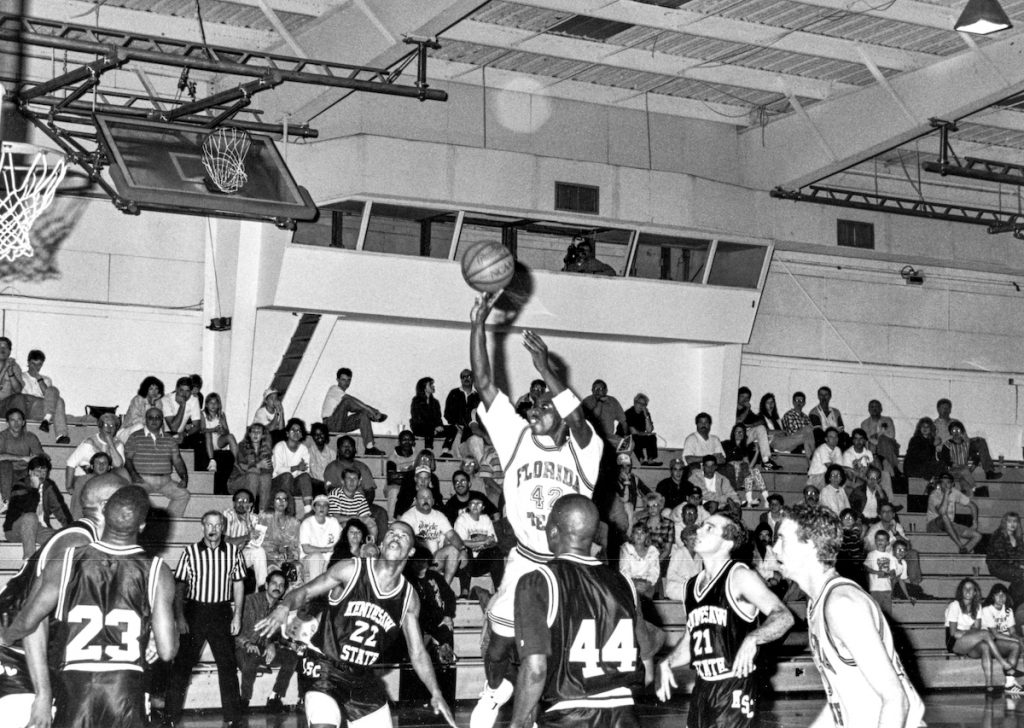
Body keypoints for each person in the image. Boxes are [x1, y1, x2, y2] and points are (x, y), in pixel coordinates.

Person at [469, 290, 602, 728]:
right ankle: (494, 691)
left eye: (545, 405)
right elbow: (486, 383)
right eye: (533, 405)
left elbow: (579, 419)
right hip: (525, 561)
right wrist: (479, 326)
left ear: (561, 413)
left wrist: (546, 369)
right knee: (497, 648)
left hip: (570, 567)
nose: (535, 409)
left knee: (561, 660)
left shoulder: (586, 450)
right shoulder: (516, 438)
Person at [3, 485, 178, 728]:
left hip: (75, 691)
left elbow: (30, 622)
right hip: (125, 691)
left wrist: (6, 637)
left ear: (104, 514)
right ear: (142, 525)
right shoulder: (158, 571)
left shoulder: (66, 559)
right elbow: (168, 650)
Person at [253, 521, 457, 728]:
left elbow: (418, 653)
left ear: (411, 551)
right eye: (391, 533)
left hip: (361, 676)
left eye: (403, 535)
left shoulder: (409, 598)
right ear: (382, 544)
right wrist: (284, 607)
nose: (396, 537)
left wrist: (436, 692)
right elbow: (306, 592)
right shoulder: (351, 570)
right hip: (324, 665)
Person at [772, 503, 926, 726]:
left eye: (782, 539)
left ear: (810, 547)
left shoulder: (842, 604)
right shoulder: (818, 602)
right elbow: (842, 697)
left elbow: (896, 699)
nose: (775, 549)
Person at [0, 473, 127, 728]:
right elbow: (33, 617)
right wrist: (43, 695)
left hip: (46, 655)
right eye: (127, 502)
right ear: (105, 506)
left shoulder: (102, 546)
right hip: (14, 649)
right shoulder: (76, 543)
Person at [509, 494, 644, 728]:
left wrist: (516, 723)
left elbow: (535, 670)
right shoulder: (624, 582)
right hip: (625, 714)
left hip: (570, 714)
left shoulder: (538, 581)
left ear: (552, 530)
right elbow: (648, 669)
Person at [655, 513, 794, 727]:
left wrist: (753, 639)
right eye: (701, 526)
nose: (698, 530)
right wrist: (669, 662)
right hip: (702, 688)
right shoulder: (691, 586)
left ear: (727, 542)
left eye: (709, 528)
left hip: (734, 685)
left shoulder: (740, 576)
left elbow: (783, 616)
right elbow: (694, 638)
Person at [165, 510, 246, 728]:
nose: (213, 529)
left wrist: (237, 614)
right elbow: (180, 584)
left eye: (217, 525)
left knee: (227, 666)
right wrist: (180, 615)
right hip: (195, 611)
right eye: (209, 525)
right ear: (203, 526)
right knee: (182, 665)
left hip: (221, 612)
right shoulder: (190, 552)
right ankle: (170, 717)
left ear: (223, 527)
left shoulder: (233, 552)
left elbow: (238, 584)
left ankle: (233, 718)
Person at [944, 577, 1024, 692]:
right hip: (954, 642)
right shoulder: (955, 605)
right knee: (985, 634)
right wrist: (971, 632)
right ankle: (1005, 665)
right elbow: (953, 633)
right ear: (960, 591)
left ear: (975, 592)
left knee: (985, 646)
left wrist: (970, 633)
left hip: (970, 641)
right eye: (965, 588)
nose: (968, 591)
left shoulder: (977, 606)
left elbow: (976, 628)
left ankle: (989, 686)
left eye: (971, 589)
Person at [234, 569, 296, 713]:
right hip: (243, 649)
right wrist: (247, 643)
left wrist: (281, 644)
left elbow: (277, 636)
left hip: (263, 650)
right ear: (266, 584)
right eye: (274, 583)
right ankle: (244, 700)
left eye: (281, 585)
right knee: (252, 657)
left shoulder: (280, 609)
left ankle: (275, 697)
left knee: (292, 656)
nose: (277, 587)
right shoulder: (249, 601)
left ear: (284, 590)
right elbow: (234, 632)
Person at [123, 406, 190, 517]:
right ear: (145, 420)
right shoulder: (135, 437)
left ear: (162, 420)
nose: (154, 420)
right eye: (151, 417)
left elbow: (177, 460)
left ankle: (169, 524)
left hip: (165, 481)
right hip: (143, 480)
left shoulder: (169, 439)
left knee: (183, 495)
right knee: (134, 496)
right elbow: (128, 459)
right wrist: (134, 475)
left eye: (157, 418)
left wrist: (184, 477)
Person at [3, 455, 71, 558]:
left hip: (38, 529)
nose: (42, 475)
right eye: (38, 471)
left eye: (44, 472)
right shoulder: (20, 485)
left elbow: (59, 508)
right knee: (30, 517)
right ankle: (29, 562)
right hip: (15, 529)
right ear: (30, 472)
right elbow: (28, 510)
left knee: (62, 539)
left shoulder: (48, 486)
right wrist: (35, 489)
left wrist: (70, 527)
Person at [400, 486, 467, 583]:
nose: (426, 500)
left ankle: (444, 588)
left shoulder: (439, 515)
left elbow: (451, 535)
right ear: (415, 500)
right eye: (422, 497)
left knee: (453, 550)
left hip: (435, 559)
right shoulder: (408, 516)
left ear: (433, 501)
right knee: (423, 542)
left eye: (428, 497)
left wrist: (463, 550)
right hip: (416, 561)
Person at [321, 367, 388, 456]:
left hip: (341, 424)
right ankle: (374, 415)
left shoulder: (341, 393)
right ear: (337, 380)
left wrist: (369, 410)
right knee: (347, 401)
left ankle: (369, 448)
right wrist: (371, 410)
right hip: (330, 423)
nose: (346, 383)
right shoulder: (334, 389)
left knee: (363, 415)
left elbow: (356, 403)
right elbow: (350, 400)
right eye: (343, 380)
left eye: (348, 380)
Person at [64, 411, 126, 505]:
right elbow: (71, 463)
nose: (109, 428)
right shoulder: (89, 442)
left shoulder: (118, 444)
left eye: (112, 426)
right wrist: (69, 486)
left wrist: (110, 443)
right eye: (106, 425)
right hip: (85, 476)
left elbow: (118, 465)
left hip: (105, 478)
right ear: (100, 427)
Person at [933, 398, 1002, 480]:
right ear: (938, 409)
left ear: (950, 410)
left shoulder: (956, 422)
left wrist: (973, 440)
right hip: (949, 451)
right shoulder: (934, 425)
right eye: (943, 408)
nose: (945, 410)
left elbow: (965, 439)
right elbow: (935, 445)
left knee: (980, 441)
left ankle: (989, 472)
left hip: (962, 448)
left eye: (947, 408)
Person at [453, 493, 505, 599]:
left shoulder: (486, 519)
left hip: (480, 562)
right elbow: (461, 543)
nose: (476, 506)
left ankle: (499, 590)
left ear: (483, 507)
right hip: (463, 565)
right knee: (465, 550)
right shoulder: (462, 519)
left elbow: (493, 542)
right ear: (468, 507)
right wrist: (484, 541)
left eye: (479, 504)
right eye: (472, 503)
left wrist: (484, 542)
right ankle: (464, 591)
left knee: (496, 552)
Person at [20, 349, 70, 443]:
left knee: (56, 395)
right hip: (30, 408)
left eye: (39, 364)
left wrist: (39, 379)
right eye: (33, 364)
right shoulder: (22, 376)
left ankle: (59, 434)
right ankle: (48, 421)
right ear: (28, 363)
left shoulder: (46, 379)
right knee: (58, 400)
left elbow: (48, 395)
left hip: (44, 409)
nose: (36, 367)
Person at [223, 488, 268, 589]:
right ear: (234, 503)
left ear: (251, 504)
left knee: (259, 551)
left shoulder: (255, 518)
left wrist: (248, 522)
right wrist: (246, 537)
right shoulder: (228, 515)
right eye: (238, 500)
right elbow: (226, 542)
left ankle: (261, 590)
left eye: (244, 501)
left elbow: (256, 543)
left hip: (243, 555)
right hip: (228, 554)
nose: (240, 504)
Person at [927, 472, 982, 554]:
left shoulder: (954, 492)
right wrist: (946, 494)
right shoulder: (934, 494)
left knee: (977, 536)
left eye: (948, 482)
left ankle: (964, 551)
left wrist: (975, 523)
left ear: (952, 484)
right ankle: (960, 545)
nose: (945, 485)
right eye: (943, 482)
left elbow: (972, 505)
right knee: (944, 517)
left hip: (950, 525)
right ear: (940, 484)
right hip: (934, 525)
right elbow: (942, 512)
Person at [0, 407, 45, 502]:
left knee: (38, 465)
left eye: (19, 419)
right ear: (7, 422)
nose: (16, 423)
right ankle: (6, 501)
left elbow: (41, 456)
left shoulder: (30, 437)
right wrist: (22, 458)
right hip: (5, 475)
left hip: (23, 473)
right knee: (5, 464)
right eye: (12, 420)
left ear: (24, 422)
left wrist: (37, 458)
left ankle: (36, 498)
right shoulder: (2, 437)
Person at [228, 421, 274, 509]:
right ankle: (249, 510)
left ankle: (262, 512)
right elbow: (241, 467)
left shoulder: (266, 450)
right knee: (253, 475)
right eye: (253, 432)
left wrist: (259, 468)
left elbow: (268, 469)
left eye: (259, 432)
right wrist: (257, 465)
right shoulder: (242, 446)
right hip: (237, 482)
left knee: (266, 477)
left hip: (257, 483)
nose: (255, 434)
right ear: (249, 434)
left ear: (263, 435)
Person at [411, 376, 458, 458]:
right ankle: (428, 451)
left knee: (453, 428)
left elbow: (438, 418)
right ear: (424, 387)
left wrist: (439, 426)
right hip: (420, 428)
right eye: (430, 385)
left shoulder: (435, 402)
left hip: (433, 429)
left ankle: (445, 451)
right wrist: (433, 427)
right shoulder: (416, 401)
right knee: (428, 428)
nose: (433, 386)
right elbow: (417, 419)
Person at [988, 512, 1024, 618]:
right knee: (1022, 575)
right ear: (1004, 522)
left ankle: (1013, 605)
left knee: (1020, 579)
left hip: (1013, 567)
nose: (1012, 524)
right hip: (997, 565)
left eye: (1015, 521)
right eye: (1009, 521)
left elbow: (1021, 555)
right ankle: (1012, 605)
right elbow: (1003, 557)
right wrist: (1020, 566)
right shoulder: (999, 535)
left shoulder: (1018, 537)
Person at [300, 494, 342, 580]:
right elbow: (306, 549)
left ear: (328, 509)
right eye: (319, 505)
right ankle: (316, 590)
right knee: (317, 557)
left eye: (325, 505)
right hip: (309, 560)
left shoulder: (334, 522)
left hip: (328, 560)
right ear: (314, 508)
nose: (322, 508)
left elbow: (341, 541)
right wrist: (328, 549)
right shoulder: (307, 523)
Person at [581, 379, 629, 450]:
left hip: (609, 436)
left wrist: (626, 435)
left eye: (600, 389)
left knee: (626, 444)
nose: (597, 391)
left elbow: (623, 421)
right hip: (592, 436)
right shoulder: (587, 402)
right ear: (592, 390)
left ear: (605, 390)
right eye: (595, 388)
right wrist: (600, 402)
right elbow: (594, 416)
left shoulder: (612, 401)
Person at [620, 521, 661, 600]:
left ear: (646, 535)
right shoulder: (626, 549)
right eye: (636, 533)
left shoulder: (652, 551)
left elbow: (654, 571)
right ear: (632, 535)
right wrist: (634, 583)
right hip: (630, 582)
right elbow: (624, 570)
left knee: (645, 598)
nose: (639, 536)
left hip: (647, 583)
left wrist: (647, 584)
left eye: (642, 533)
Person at [119, 375, 164, 444]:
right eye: (151, 389)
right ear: (146, 389)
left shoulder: (158, 402)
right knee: (140, 426)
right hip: (127, 432)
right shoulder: (137, 399)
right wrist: (151, 405)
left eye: (156, 389)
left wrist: (153, 404)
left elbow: (158, 421)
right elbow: (135, 420)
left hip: (145, 433)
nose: (154, 392)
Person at [444, 368, 481, 445]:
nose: (466, 379)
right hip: (457, 427)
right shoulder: (454, 393)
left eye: (469, 376)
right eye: (463, 377)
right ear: (461, 380)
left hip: (472, 429)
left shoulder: (477, 396)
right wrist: (455, 424)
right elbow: (447, 413)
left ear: (473, 379)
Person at [201, 392, 238, 468]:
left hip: (218, 441)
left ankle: (235, 461)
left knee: (230, 436)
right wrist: (213, 429)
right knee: (208, 434)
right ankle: (212, 461)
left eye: (215, 403)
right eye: (211, 402)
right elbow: (202, 430)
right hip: (207, 442)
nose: (213, 405)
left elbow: (227, 431)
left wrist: (223, 431)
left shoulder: (221, 415)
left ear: (219, 405)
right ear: (207, 405)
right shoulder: (203, 414)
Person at [625, 393, 660, 466]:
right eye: (639, 403)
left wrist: (646, 416)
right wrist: (645, 434)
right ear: (634, 402)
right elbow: (633, 431)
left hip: (637, 438)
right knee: (634, 437)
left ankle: (650, 460)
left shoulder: (645, 414)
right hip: (625, 439)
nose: (641, 406)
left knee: (652, 437)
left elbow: (649, 430)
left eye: (644, 404)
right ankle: (641, 460)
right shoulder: (629, 413)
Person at [781, 391, 816, 462]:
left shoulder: (806, 417)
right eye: (797, 400)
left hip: (804, 441)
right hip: (792, 440)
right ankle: (814, 457)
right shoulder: (788, 415)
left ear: (804, 403)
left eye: (801, 401)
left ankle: (812, 460)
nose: (799, 403)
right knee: (807, 429)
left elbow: (812, 432)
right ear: (793, 402)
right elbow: (792, 433)